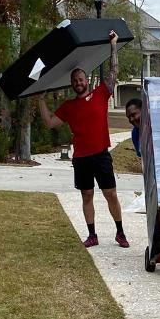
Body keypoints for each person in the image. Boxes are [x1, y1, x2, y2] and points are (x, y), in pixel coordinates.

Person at [38, 30, 130, 249]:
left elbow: (114, 72)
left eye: (80, 79)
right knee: (86, 195)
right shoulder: (68, 107)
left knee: (111, 194)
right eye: (74, 80)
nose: (78, 82)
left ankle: (120, 232)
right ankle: (92, 235)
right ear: (72, 84)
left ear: (86, 80)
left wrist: (113, 45)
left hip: (101, 155)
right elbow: (50, 123)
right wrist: (40, 99)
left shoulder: (100, 93)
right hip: (81, 158)